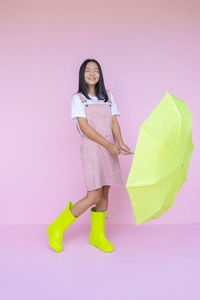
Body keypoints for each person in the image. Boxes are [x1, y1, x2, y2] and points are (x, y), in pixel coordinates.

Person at [47, 58, 132, 253]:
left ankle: (97, 235)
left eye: (96, 70)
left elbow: (114, 123)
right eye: (88, 71)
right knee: (93, 194)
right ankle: (57, 227)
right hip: (93, 149)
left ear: (100, 75)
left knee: (105, 192)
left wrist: (120, 143)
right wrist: (109, 145)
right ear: (82, 75)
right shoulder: (78, 99)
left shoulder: (108, 96)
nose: (92, 73)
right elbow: (85, 128)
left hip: (110, 147)